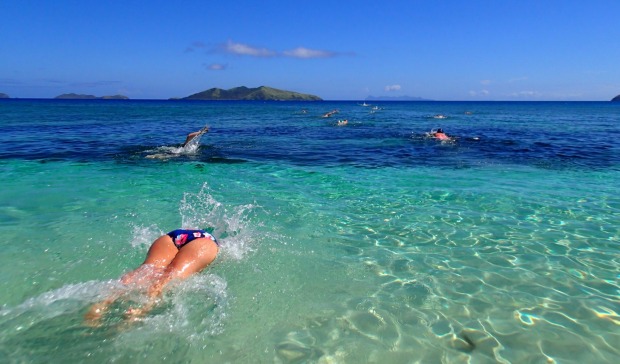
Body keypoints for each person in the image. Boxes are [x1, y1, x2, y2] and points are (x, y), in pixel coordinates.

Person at [84, 228, 219, 325]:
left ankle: (102, 303)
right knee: (171, 277)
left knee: (144, 271)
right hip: (204, 245)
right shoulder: (213, 244)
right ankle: (142, 310)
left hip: (174, 236)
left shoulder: (195, 230)